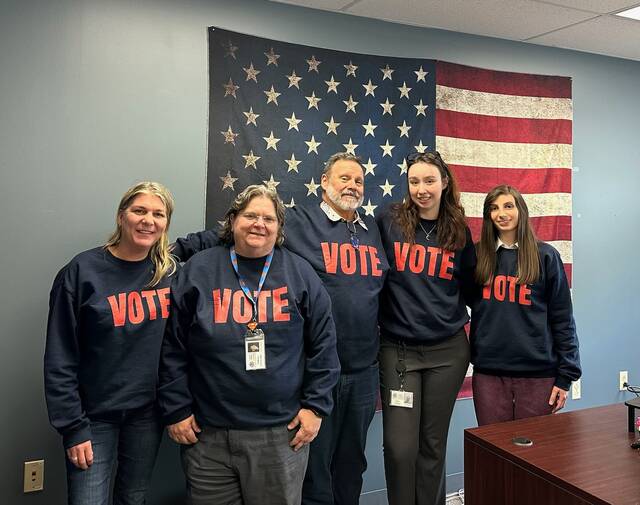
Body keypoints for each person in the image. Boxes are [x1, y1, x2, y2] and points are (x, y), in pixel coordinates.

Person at [172, 153, 389, 505]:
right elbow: (235, 233)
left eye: (358, 180)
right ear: (324, 182)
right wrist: (170, 252)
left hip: (363, 370)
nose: (351, 186)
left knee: (352, 464)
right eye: (343, 178)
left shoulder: (371, 231)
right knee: (314, 471)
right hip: (311, 375)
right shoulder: (301, 221)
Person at [158, 184, 340, 505]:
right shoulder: (200, 269)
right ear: (232, 221)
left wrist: (316, 407)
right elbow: (173, 347)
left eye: (268, 218)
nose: (259, 224)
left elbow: (324, 345)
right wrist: (176, 409)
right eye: (250, 215)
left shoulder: (300, 273)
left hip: (280, 435)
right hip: (207, 435)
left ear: (279, 228)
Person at [44, 181, 178, 505]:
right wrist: (72, 427)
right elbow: (60, 356)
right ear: (121, 216)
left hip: (147, 416)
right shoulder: (82, 271)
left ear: (165, 224)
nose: (148, 220)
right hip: (92, 418)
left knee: (133, 498)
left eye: (158, 214)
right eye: (139, 210)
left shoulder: (169, 274)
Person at [376, 151, 475, 505]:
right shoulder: (388, 220)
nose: (421, 189)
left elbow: (472, 289)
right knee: (400, 447)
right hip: (398, 351)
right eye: (414, 181)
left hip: (448, 352)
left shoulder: (458, 230)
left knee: (432, 445)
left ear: (444, 182)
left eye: (429, 181)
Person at [470, 185, 581, 425]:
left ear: (521, 210)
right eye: (494, 208)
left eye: (508, 206)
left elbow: (562, 319)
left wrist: (565, 377)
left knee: (533, 454)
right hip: (489, 375)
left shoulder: (546, 256)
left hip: (538, 375)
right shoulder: (477, 256)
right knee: (494, 453)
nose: (502, 213)